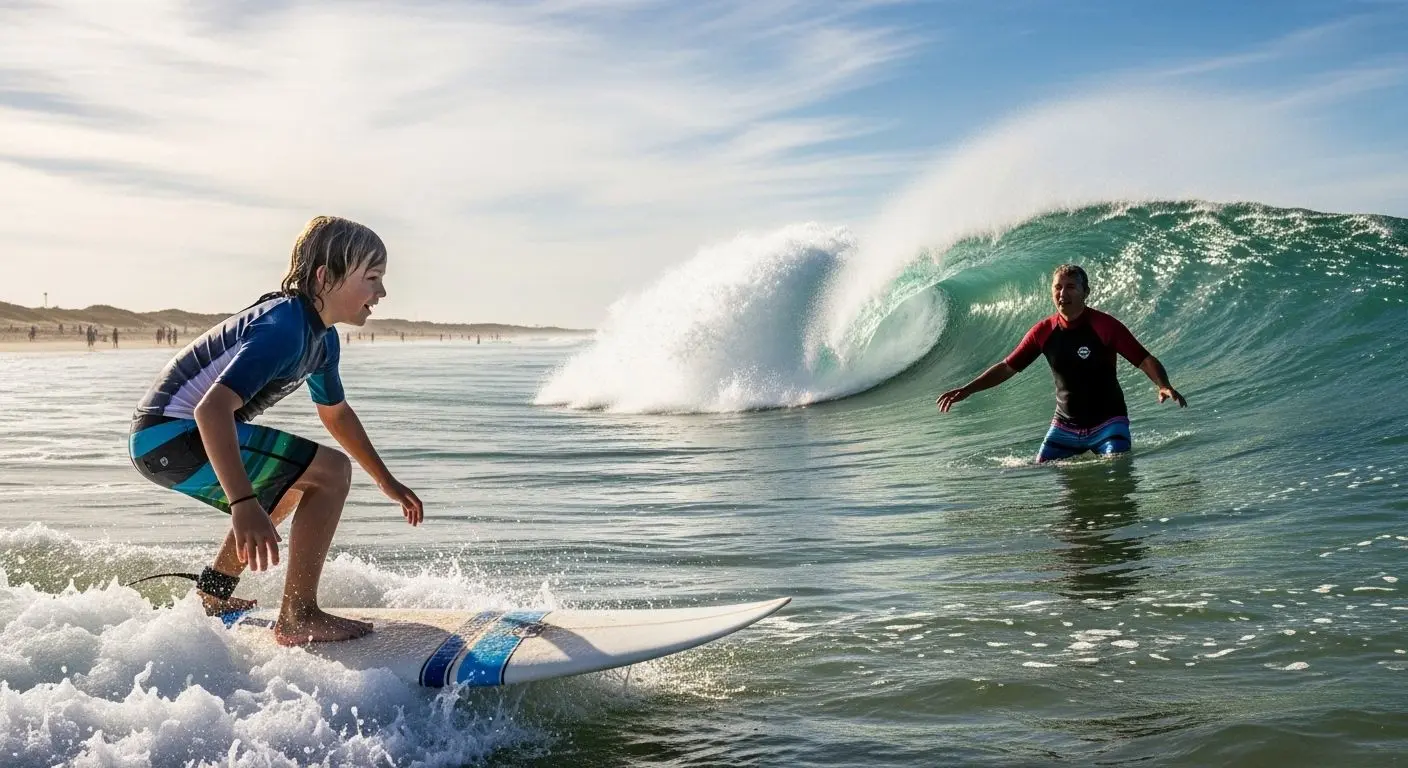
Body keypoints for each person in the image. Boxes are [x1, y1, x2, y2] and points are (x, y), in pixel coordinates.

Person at [127, 215, 424, 645]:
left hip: (162, 440)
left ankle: (214, 595)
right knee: (331, 472)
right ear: (326, 277)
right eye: (372, 278)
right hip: (172, 433)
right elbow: (212, 411)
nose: (381, 292)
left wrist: (387, 481)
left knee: (292, 484)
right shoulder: (285, 326)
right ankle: (299, 615)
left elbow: (336, 414)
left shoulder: (322, 340)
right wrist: (243, 502)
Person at [936, 264, 1186, 462]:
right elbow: (1007, 367)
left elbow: (1144, 359)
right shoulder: (1043, 332)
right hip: (1064, 427)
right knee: (1041, 472)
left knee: (1116, 470)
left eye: (1070, 287)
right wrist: (968, 389)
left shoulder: (1104, 326)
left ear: (1085, 292)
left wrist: (1162, 384)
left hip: (1108, 424)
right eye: (1057, 287)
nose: (1062, 293)